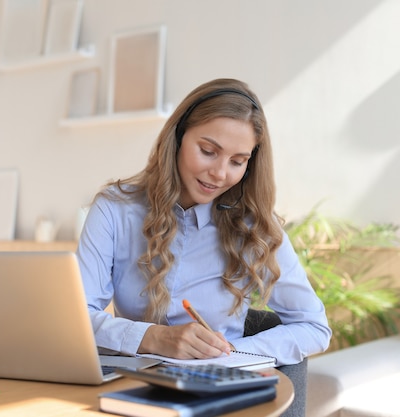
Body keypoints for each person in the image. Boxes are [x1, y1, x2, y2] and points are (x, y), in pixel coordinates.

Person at [77, 78, 331, 416]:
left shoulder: (255, 225)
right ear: (178, 137)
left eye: (238, 161)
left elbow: (314, 327)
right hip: (130, 392)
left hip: (215, 398)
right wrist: (152, 338)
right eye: (208, 151)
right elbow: (79, 319)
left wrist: (228, 354)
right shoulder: (114, 209)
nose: (220, 173)